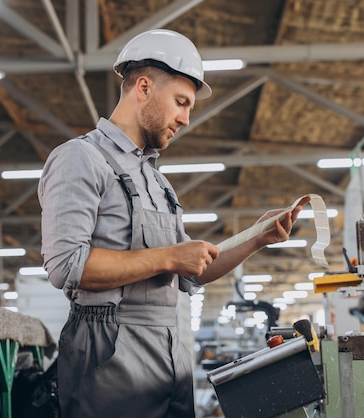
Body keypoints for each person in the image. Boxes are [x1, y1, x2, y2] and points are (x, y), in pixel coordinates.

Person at [38, 29, 308, 418]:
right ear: (144, 87)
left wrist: (255, 239)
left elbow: (190, 273)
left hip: (168, 351)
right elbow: (67, 265)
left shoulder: (157, 181)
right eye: (181, 103)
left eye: (189, 108)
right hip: (108, 352)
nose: (184, 119)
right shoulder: (81, 158)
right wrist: (168, 257)